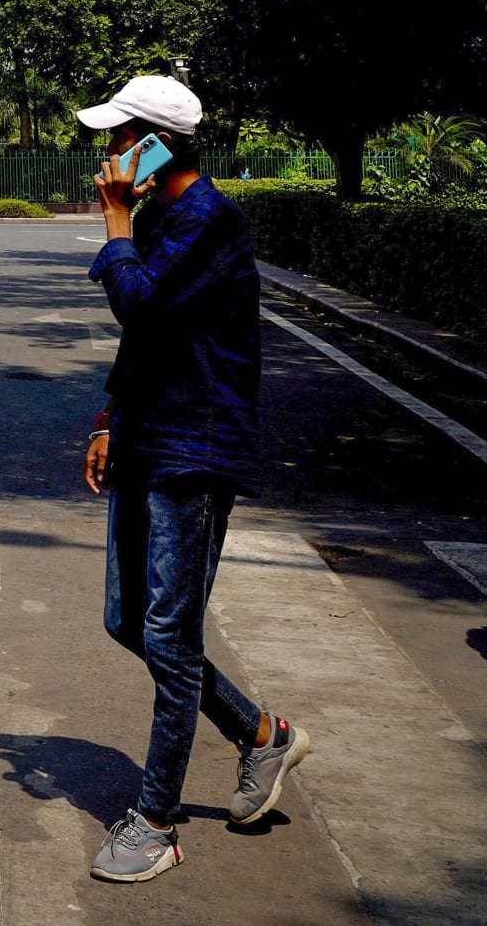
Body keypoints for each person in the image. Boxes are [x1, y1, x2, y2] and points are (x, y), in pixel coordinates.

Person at [78, 73, 306, 885]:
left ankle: (159, 819)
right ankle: (260, 733)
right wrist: (109, 417)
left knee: (169, 635)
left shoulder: (210, 218)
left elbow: (139, 304)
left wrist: (112, 223)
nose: (105, 155)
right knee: (126, 621)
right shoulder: (164, 215)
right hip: (146, 435)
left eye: (117, 138)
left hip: (194, 447)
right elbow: (148, 340)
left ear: (156, 143)